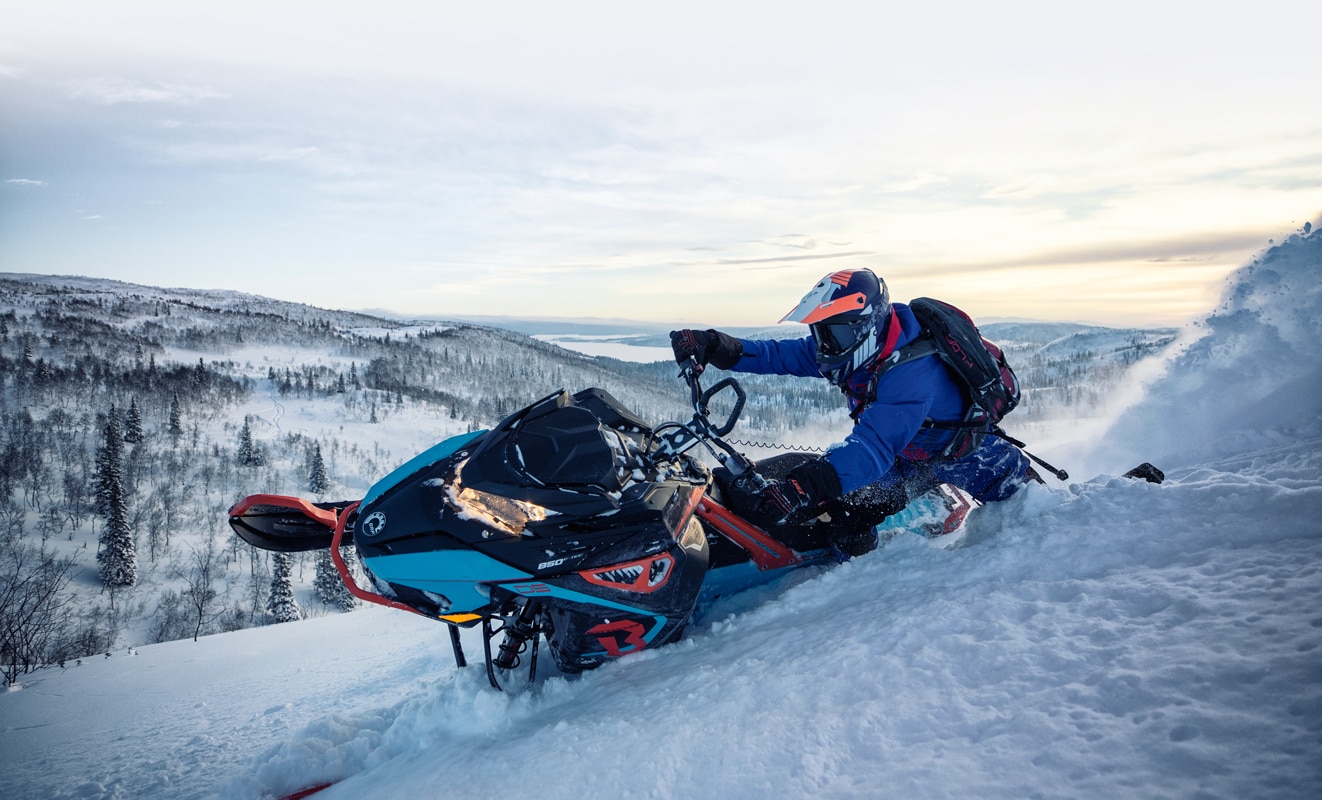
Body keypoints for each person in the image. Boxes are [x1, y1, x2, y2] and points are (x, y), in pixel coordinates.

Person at [670, 268, 1035, 551]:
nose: (825, 345)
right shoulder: (856, 349)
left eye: (834, 334)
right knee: (845, 520)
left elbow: (872, 448)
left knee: (1036, 515)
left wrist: (801, 486)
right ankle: (863, 587)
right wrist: (714, 345)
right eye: (821, 332)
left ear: (868, 326)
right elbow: (777, 354)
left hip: (966, 454)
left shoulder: (911, 373)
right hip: (907, 455)